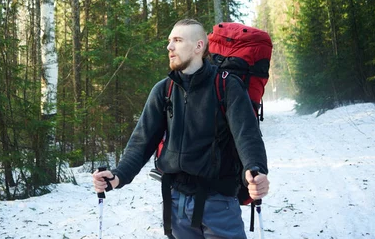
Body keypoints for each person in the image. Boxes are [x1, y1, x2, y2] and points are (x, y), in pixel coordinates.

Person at [92, 19, 269, 239]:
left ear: (199, 46)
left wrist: (256, 170)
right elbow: (141, 142)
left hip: (218, 203)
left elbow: (247, 136)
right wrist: (117, 176)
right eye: (169, 41)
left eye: (177, 40)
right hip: (175, 204)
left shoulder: (227, 85)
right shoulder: (163, 89)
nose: (169, 47)